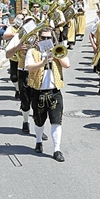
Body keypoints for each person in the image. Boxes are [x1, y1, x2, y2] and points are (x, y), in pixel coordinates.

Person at [25, 27, 70, 162]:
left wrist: (56, 55)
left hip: (54, 92)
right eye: (43, 38)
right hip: (38, 92)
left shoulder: (58, 50)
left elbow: (67, 64)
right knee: (39, 122)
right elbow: (29, 67)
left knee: (57, 122)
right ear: (38, 39)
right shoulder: (32, 51)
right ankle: (39, 141)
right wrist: (43, 62)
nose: (46, 40)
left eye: (48, 38)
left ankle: (57, 149)